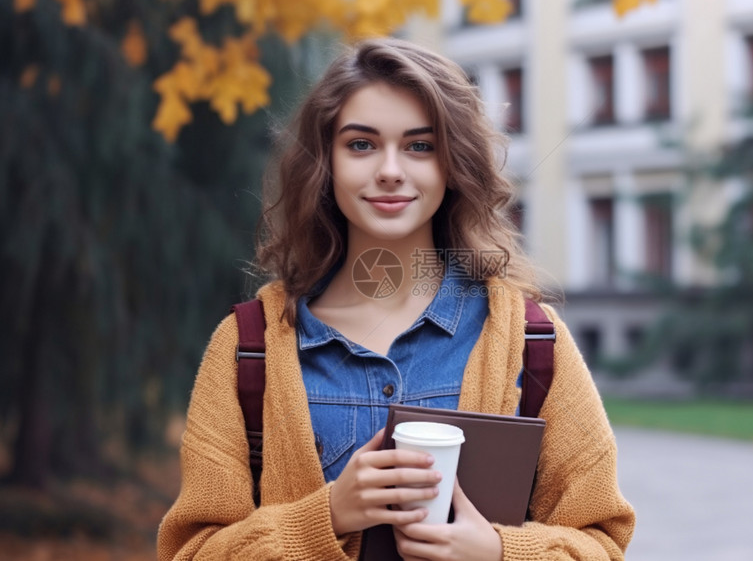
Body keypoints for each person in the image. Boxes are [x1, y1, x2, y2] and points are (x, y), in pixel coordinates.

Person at [157, 38, 635, 560]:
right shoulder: (248, 347)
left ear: (453, 165)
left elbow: (601, 542)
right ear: (326, 163)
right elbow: (192, 551)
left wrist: (499, 553)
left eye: (419, 145)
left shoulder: (530, 339)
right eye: (361, 144)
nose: (389, 169)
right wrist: (328, 515)